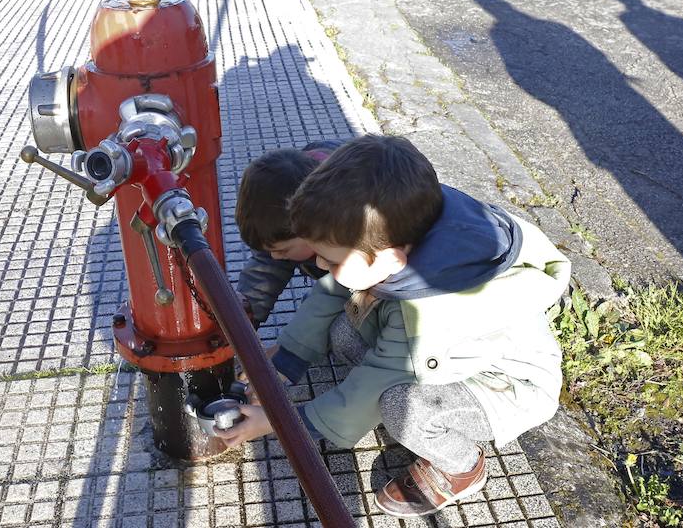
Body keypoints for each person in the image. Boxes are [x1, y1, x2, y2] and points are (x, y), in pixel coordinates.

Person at [219, 135, 571, 518]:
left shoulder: (431, 311)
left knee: (404, 408)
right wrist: (286, 361)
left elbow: (376, 382)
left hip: (507, 387)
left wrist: (279, 422)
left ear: (389, 261)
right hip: (443, 353)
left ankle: (462, 468)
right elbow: (330, 291)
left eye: (330, 259)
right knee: (344, 331)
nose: (320, 266)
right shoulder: (387, 240)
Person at [235, 141, 341, 327]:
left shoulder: (354, 226)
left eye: (284, 250)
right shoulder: (281, 213)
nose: (275, 256)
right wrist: (246, 315)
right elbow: (265, 268)